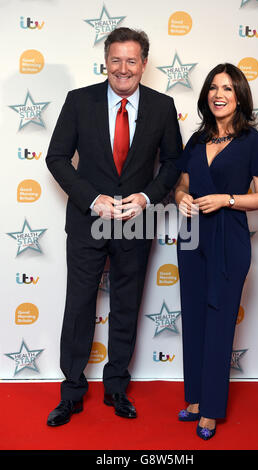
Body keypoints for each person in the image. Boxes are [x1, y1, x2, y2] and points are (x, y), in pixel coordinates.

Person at [46, 27, 182, 426]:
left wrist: (145, 198)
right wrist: (91, 198)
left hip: (136, 224)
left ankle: (117, 388)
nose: (124, 68)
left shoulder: (162, 106)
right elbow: (56, 157)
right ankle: (71, 392)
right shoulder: (78, 101)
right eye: (116, 59)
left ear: (144, 63)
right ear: (106, 60)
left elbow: (173, 163)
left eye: (132, 60)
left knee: (126, 306)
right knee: (79, 307)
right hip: (89, 223)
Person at [174, 63, 258, 440]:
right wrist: (183, 199)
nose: (219, 95)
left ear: (239, 97)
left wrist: (227, 199)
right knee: (195, 319)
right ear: (206, 95)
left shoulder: (255, 142)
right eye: (214, 88)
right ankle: (196, 399)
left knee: (219, 321)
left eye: (228, 89)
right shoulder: (197, 140)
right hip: (191, 238)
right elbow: (182, 185)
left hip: (229, 241)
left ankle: (212, 410)